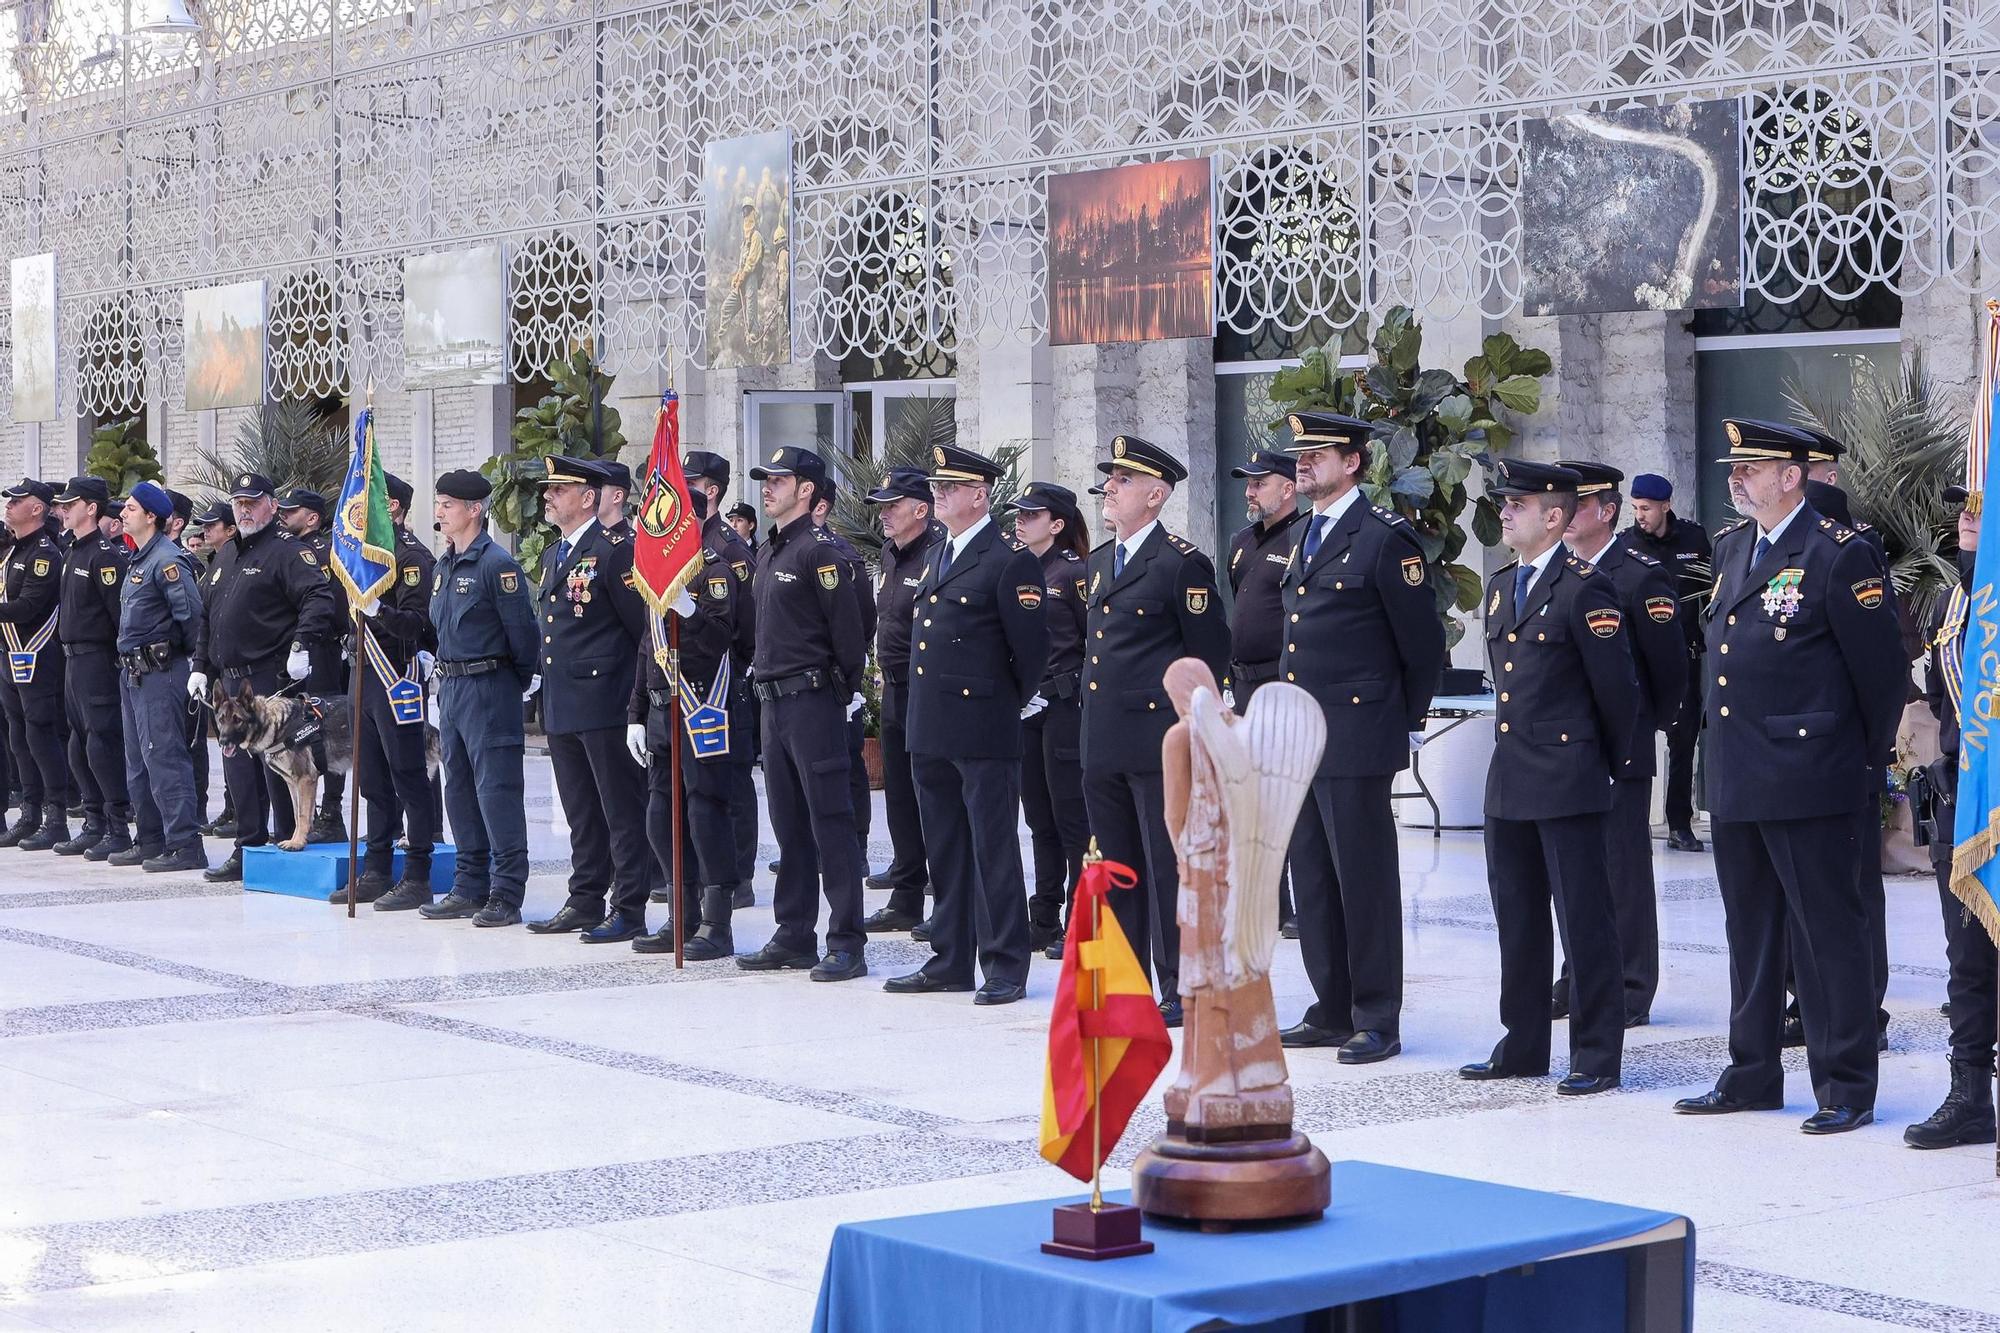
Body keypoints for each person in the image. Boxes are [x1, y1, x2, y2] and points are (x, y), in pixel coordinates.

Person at [1672, 418, 1904, 1134]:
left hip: (1813, 774)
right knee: (1752, 931)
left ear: (1792, 477)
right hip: (1740, 772)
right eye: (1734, 469)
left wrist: (1858, 766)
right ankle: (1752, 1071)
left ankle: (1844, 1084)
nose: (1737, 479)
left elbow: (1882, 677)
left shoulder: (1839, 554)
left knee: (1827, 932)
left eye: (1753, 469)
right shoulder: (1735, 546)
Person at [1461, 457, 1637, 1097]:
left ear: (1554, 517)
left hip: (1568, 778)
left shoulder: (1584, 588)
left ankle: (1595, 1053)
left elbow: (1618, 695)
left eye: (1518, 504)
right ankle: (1524, 1042)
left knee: (1585, 921)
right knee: (1519, 918)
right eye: (1506, 503)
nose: (1505, 512)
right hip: (1509, 778)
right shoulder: (1503, 585)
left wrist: (1601, 770)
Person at [1276, 413, 1445, 1064]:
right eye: (1301, 453)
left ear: (1353, 462)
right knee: (1313, 876)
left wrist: (1396, 722)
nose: (1304, 461)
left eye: (1317, 453)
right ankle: (1332, 1004)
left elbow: (1422, 645)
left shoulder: (1381, 539)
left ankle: (1377, 1015)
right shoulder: (1303, 533)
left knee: (1363, 879)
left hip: (1356, 733)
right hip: (1302, 739)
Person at [886, 445, 1048, 1005]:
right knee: (945, 849)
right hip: (933, 724)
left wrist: (1003, 703)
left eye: (950, 487)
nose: (939, 494)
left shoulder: (1009, 560)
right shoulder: (941, 554)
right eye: (937, 486)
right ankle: (951, 957)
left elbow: (1030, 654)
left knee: (993, 848)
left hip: (982, 726)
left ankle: (1005, 962)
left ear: (979, 495)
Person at [1081, 434, 1230, 1026]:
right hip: (1102, 736)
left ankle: (1178, 986)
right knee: (1117, 865)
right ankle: (1127, 980)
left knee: (1164, 867)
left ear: (1156, 494)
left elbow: (1208, 654)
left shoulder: (1179, 563)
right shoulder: (1098, 562)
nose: (1109, 489)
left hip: (1154, 740)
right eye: (1110, 480)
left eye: (1122, 481)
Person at [1551, 461, 1687, 1028]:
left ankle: (1631, 982)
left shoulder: (1639, 575)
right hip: (1565, 747)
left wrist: (1637, 731)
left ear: (1606, 512)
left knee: (1621, 868)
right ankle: (1579, 974)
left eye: (1577, 504)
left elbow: (1669, 670)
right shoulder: (1554, 573)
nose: (1564, 514)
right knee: (1572, 869)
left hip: (1620, 747)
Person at [739, 444, 869, 982]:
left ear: (806, 489)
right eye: (765, 479)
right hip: (772, 703)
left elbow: (853, 631)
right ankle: (794, 932)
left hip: (814, 700)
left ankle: (846, 941)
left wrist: (838, 690)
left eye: (779, 479)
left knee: (830, 824)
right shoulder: (770, 552)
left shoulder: (823, 552)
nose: (767, 487)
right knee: (789, 826)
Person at [523, 456, 652, 943]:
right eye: (549, 490)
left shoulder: (617, 550)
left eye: (559, 489)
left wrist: (635, 706)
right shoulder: (559, 552)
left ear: (588, 497)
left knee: (620, 810)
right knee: (580, 810)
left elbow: (640, 630)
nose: (549, 497)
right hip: (563, 702)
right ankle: (584, 897)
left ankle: (629, 907)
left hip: (605, 701)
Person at [628, 484, 756, 960]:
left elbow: (724, 638)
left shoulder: (714, 570)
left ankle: (716, 920)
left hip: (705, 706)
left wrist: (690, 609)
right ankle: (678, 914)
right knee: (661, 815)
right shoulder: (655, 573)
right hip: (662, 710)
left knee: (706, 812)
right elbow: (648, 647)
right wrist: (635, 714)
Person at [191, 473, 338, 882]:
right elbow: (208, 617)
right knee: (239, 769)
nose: (244, 509)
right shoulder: (225, 554)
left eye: (253, 502)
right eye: (238, 502)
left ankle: (285, 842)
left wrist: (301, 645)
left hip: (271, 677)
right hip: (230, 684)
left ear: (272, 506)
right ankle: (249, 846)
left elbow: (318, 596)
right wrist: (200, 668)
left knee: (281, 765)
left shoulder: (287, 551)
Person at [1909, 483, 1998, 1149]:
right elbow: (1941, 702)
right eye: (1962, 510)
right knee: (1967, 962)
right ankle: (1969, 1094)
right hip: (1962, 813)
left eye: (1980, 507)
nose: (1966, 521)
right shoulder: (1950, 602)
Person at [421, 469, 539, 926]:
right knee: (460, 790)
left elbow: (522, 634)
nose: (440, 511)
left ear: (475, 510)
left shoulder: (497, 565)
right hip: (451, 689)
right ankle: (469, 884)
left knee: (497, 792)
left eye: (448, 504)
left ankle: (506, 892)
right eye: (440, 502)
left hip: (489, 686)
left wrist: (517, 681)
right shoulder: (444, 565)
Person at [345, 472, 441, 912]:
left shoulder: (411, 556)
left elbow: (417, 623)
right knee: (371, 782)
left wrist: (378, 609)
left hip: (395, 674)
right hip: (361, 677)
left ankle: (417, 874)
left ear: (395, 509)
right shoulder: (360, 557)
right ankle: (377, 869)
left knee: (408, 778)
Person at [1004, 482, 1092, 958]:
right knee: (1038, 819)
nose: (1021, 519)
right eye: (1020, 512)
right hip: (1028, 707)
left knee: (1071, 817)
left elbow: (1091, 642)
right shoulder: (1019, 570)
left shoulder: (1074, 573)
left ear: (1056, 525)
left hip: (1064, 706)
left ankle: (1082, 919)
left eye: (1032, 514)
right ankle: (1044, 917)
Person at [1224, 447, 1306, 937]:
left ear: (1287, 488)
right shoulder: (1240, 541)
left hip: (1283, 683)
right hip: (1246, 683)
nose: (1250, 491)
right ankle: (1267, 901)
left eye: (1259, 483)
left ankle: (1296, 903)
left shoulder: (1303, 537)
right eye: (1248, 482)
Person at [859, 466, 941, 934]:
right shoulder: (891, 553)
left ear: (920, 509)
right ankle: (906, 896)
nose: (884, 515)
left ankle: (945, 901)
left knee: (931, 795)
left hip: (926, 690)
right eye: (882, 506)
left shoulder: (935, 553)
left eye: (892, 506)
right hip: (892, 686)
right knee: (900, 798)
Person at [112, 482, 207, 873]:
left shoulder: (168, 560)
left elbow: (192, 620)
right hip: (133, 672)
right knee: (137, 761)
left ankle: (185, 844)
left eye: (131, 508)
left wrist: (177, 659)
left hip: (161, 671)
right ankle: (150, 839)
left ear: (151, 516)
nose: (123, 514)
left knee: (165, 757)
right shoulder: (139, 559)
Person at [1622, 473, 1712, 851]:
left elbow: (1711, 595)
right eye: (1635, 508)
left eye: (1646, 508)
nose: (1640, 516)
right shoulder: (1624, 544)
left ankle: (1679, 823)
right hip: (1637, 662)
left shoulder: (1694, 539)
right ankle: (1629, 820)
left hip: (1684, 657)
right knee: (1630, 740)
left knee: (1684, 740)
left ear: (1666, 506)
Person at [52, 476, 134, 859]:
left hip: (97, 660)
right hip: (72, 662)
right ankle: (93, 822)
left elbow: (119, 617)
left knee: (101, 744)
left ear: (92, 508)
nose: (64, 509)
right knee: (78, 746)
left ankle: (117, 828)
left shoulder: (104, 556)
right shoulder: (73, 550)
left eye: (72, 503)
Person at [0, 479, 74, 850]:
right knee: (18, 736)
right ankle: (29, 814)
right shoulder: (14, 551)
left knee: (41, 734)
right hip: (10, 655)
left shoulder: (45, 553)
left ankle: (55, 816)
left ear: (38, 508)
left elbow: (29, 607)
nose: (9, 505)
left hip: (39, 656)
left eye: (17, 500)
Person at [811, 479, 877, 881]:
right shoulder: (779, 549)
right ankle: (810, 845)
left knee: (847, 764)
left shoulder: (842, 555)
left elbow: (862, 620)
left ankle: (859, 844)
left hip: (835, 678)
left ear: (820, 506)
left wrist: (849, 679)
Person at [278, 487, 351, 843]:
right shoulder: (283, 549)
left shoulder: (324, 552)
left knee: (325, 730)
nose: (284, 516)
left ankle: (331, 812)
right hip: (291, 650)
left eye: (292, 511)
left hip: (320, 650)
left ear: (312, 518)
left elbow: (333, 603)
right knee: (293, 732)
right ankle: (298, 818)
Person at [191, 501, 236, 837]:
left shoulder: (233, 557)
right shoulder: (214, 561)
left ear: (230, 529)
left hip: (237, 666)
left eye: (212, 525)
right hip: (216, 663)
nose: (205, 531)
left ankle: (237, 808)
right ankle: (231, 806)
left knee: (237, 739)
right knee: (225, 740)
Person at [598, 460, 635, 539]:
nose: (590, 495)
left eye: (597, 488)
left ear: (617, 497)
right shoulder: (585, 540)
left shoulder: (630, 546)